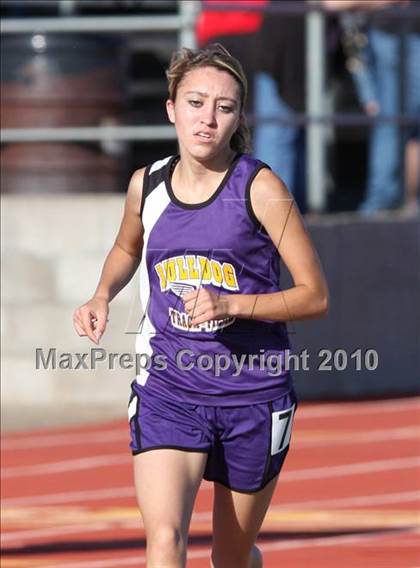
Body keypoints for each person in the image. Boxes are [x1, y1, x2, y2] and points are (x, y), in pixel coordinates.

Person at [73, 44, 329, 568]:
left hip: (252, 392)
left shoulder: (261, 188)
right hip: (170, 385)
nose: (207, 118)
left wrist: (230, 303)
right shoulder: (146, 185)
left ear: (238, 119)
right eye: (195, 102)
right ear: (172, 108)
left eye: (224, 107)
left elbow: (314, 296)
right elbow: (127, 247)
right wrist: (101, 294)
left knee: (230, 558)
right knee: (165, 540)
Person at [325, 0, 419, 214]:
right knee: (392, 121)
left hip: (393, 32)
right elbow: (332, 4)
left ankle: (402, 200)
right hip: (392, 34)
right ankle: (382, 200)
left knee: (403, 125)